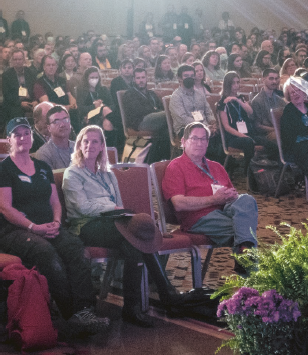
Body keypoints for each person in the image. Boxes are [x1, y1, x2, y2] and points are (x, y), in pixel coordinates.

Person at [62, 125, 184, 327]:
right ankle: (165, 295)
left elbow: (119, 203)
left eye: (94, 141)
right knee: (137, 236)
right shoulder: (72, 173)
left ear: (102, 146)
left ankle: (134, 307)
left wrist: (118, 211)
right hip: (85, 225)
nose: (90, 145)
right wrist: (111, 208)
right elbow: (82, 208)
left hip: (113, 222)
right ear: (79, 145)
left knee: (133, 244)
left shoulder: (108, 174)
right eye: (85, 141)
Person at [0, 117, 109, 335]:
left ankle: (85, 311)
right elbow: (5, 208)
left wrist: (57, 222)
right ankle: (72, 315)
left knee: (76, 248)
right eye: (17, 134)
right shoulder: (4, 169)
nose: (22, 138)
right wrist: (33, 227)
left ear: (32, 137)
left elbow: (55, 202)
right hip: (16, 231)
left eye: (26, 133)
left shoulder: (42, 167)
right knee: (47, 253)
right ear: (9, 140)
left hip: (48, 226)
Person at [162, 122, 259, 275]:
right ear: (183, 141)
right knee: (246, 231)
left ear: (207, 143)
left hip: (225, 210)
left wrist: (231, 196)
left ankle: (245, 260)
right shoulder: (176, 167)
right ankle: (250, 276)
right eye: (194, 138)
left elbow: (232, 197)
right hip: (198, 218)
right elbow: (178, 204)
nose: (199, 143)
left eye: (203, 139)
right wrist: (214, 199)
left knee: (246, 200)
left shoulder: (216, 167)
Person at [280, 80, 308, 187]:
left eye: (298, 90)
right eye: (292, 92)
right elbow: (293, 132)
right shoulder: (289, 111)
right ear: (288, 96)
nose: (295, 94)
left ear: (303, 91)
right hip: (295, 147)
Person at [217, 71, 258, 171]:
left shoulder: (241, 98)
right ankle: (248, 173)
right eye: (233, 83)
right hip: (234, 138)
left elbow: (250, 111)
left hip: (247, 134)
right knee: (248, 142)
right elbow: (226, 127)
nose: (236, 85)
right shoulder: (223, 103)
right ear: (227, 85)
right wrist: (243, 136)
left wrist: (237, 100)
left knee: (270, 144)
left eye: (238, 82)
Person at [76, 67, 122, 149]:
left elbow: (112, 105)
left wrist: (102, 105)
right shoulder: (81, 90)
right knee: (104, 109)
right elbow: (81, 109)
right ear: (86, 78)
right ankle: (120, 126)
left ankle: (109, 149)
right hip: (89, 116)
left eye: (96, 77)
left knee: (107, 123)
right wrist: (95, 106)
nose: (94, 80)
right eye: (92, 77)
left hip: (104, 115)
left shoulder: (103, 89)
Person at [169, 65, 217, 138]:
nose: (190, 78)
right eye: (186, 76)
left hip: (205, 126)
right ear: (179, 78)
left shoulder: (199, 94)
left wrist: (213, 123)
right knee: (203, 135)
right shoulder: (176, 97)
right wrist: (203, 127)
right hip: (186, 128)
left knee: (220, 134)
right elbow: (183, 119)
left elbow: (208, 111)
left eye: (192, 76)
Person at [251, 68, 286, 159]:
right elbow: (257, 126)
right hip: (264, 134)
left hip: (278, 130)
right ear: (263, 79)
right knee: (280, 137)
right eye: (271, 78)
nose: (274, 81)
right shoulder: (257, 101)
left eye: (276, 78)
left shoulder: (280, 100)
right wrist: (276, 129)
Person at [35, 105, 75, 170]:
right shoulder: (44, 154)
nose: (62, 125)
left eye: (65, 119)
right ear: (49, 128)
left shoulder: (79, 148)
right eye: (56, 122)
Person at [2, 48, 37, 120]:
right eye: (15, 59)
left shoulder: (31, 72)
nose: (17, 61)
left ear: (24, 60)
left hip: (30, 101)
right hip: (15, 103)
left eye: (20, 59)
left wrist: (35, 100)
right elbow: (7, 95)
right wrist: (20, 103)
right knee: (16, 111)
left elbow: (35, 89)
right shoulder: (6, 75)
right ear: (12, 61)